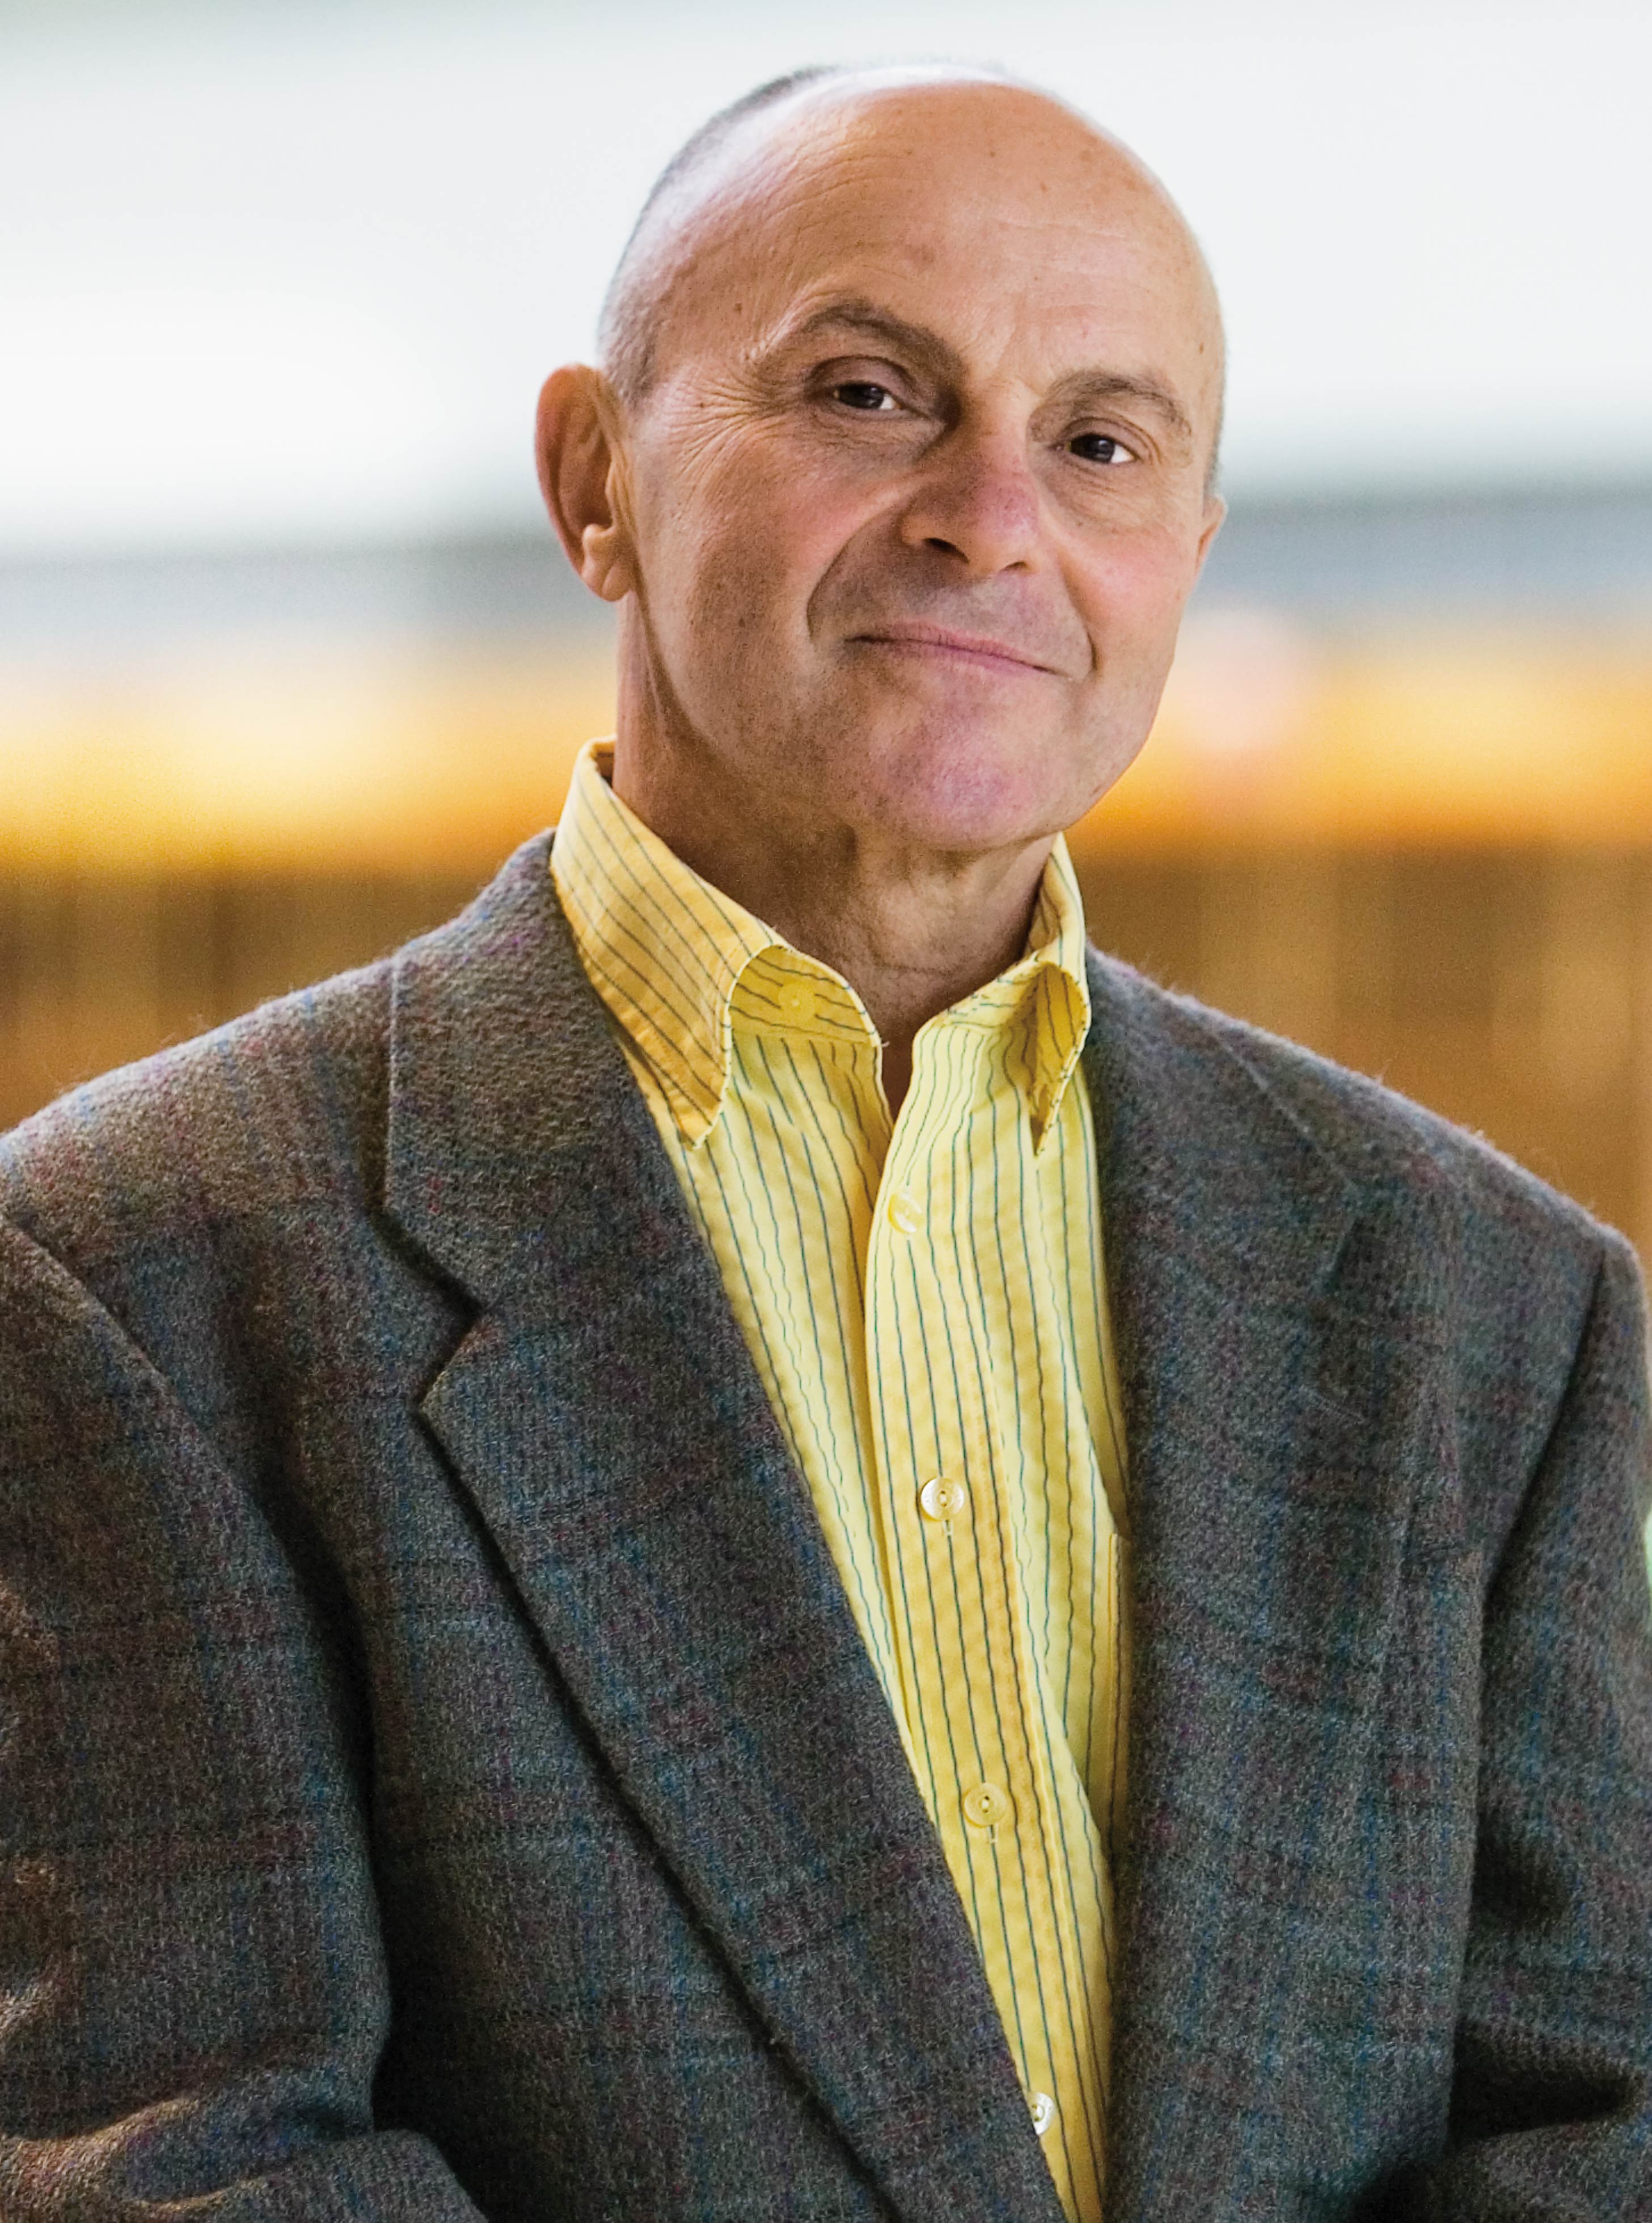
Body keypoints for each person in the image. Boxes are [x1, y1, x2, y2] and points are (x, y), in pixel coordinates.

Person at [0, 60, 1647, 2223]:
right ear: (594, 477)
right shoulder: (135, 1274)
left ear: (1185, 553)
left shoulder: (1497, 1303)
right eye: (870, 393)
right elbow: (195, 2168)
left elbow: (1595, 2110)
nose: (992, 515)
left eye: (1098, 441)